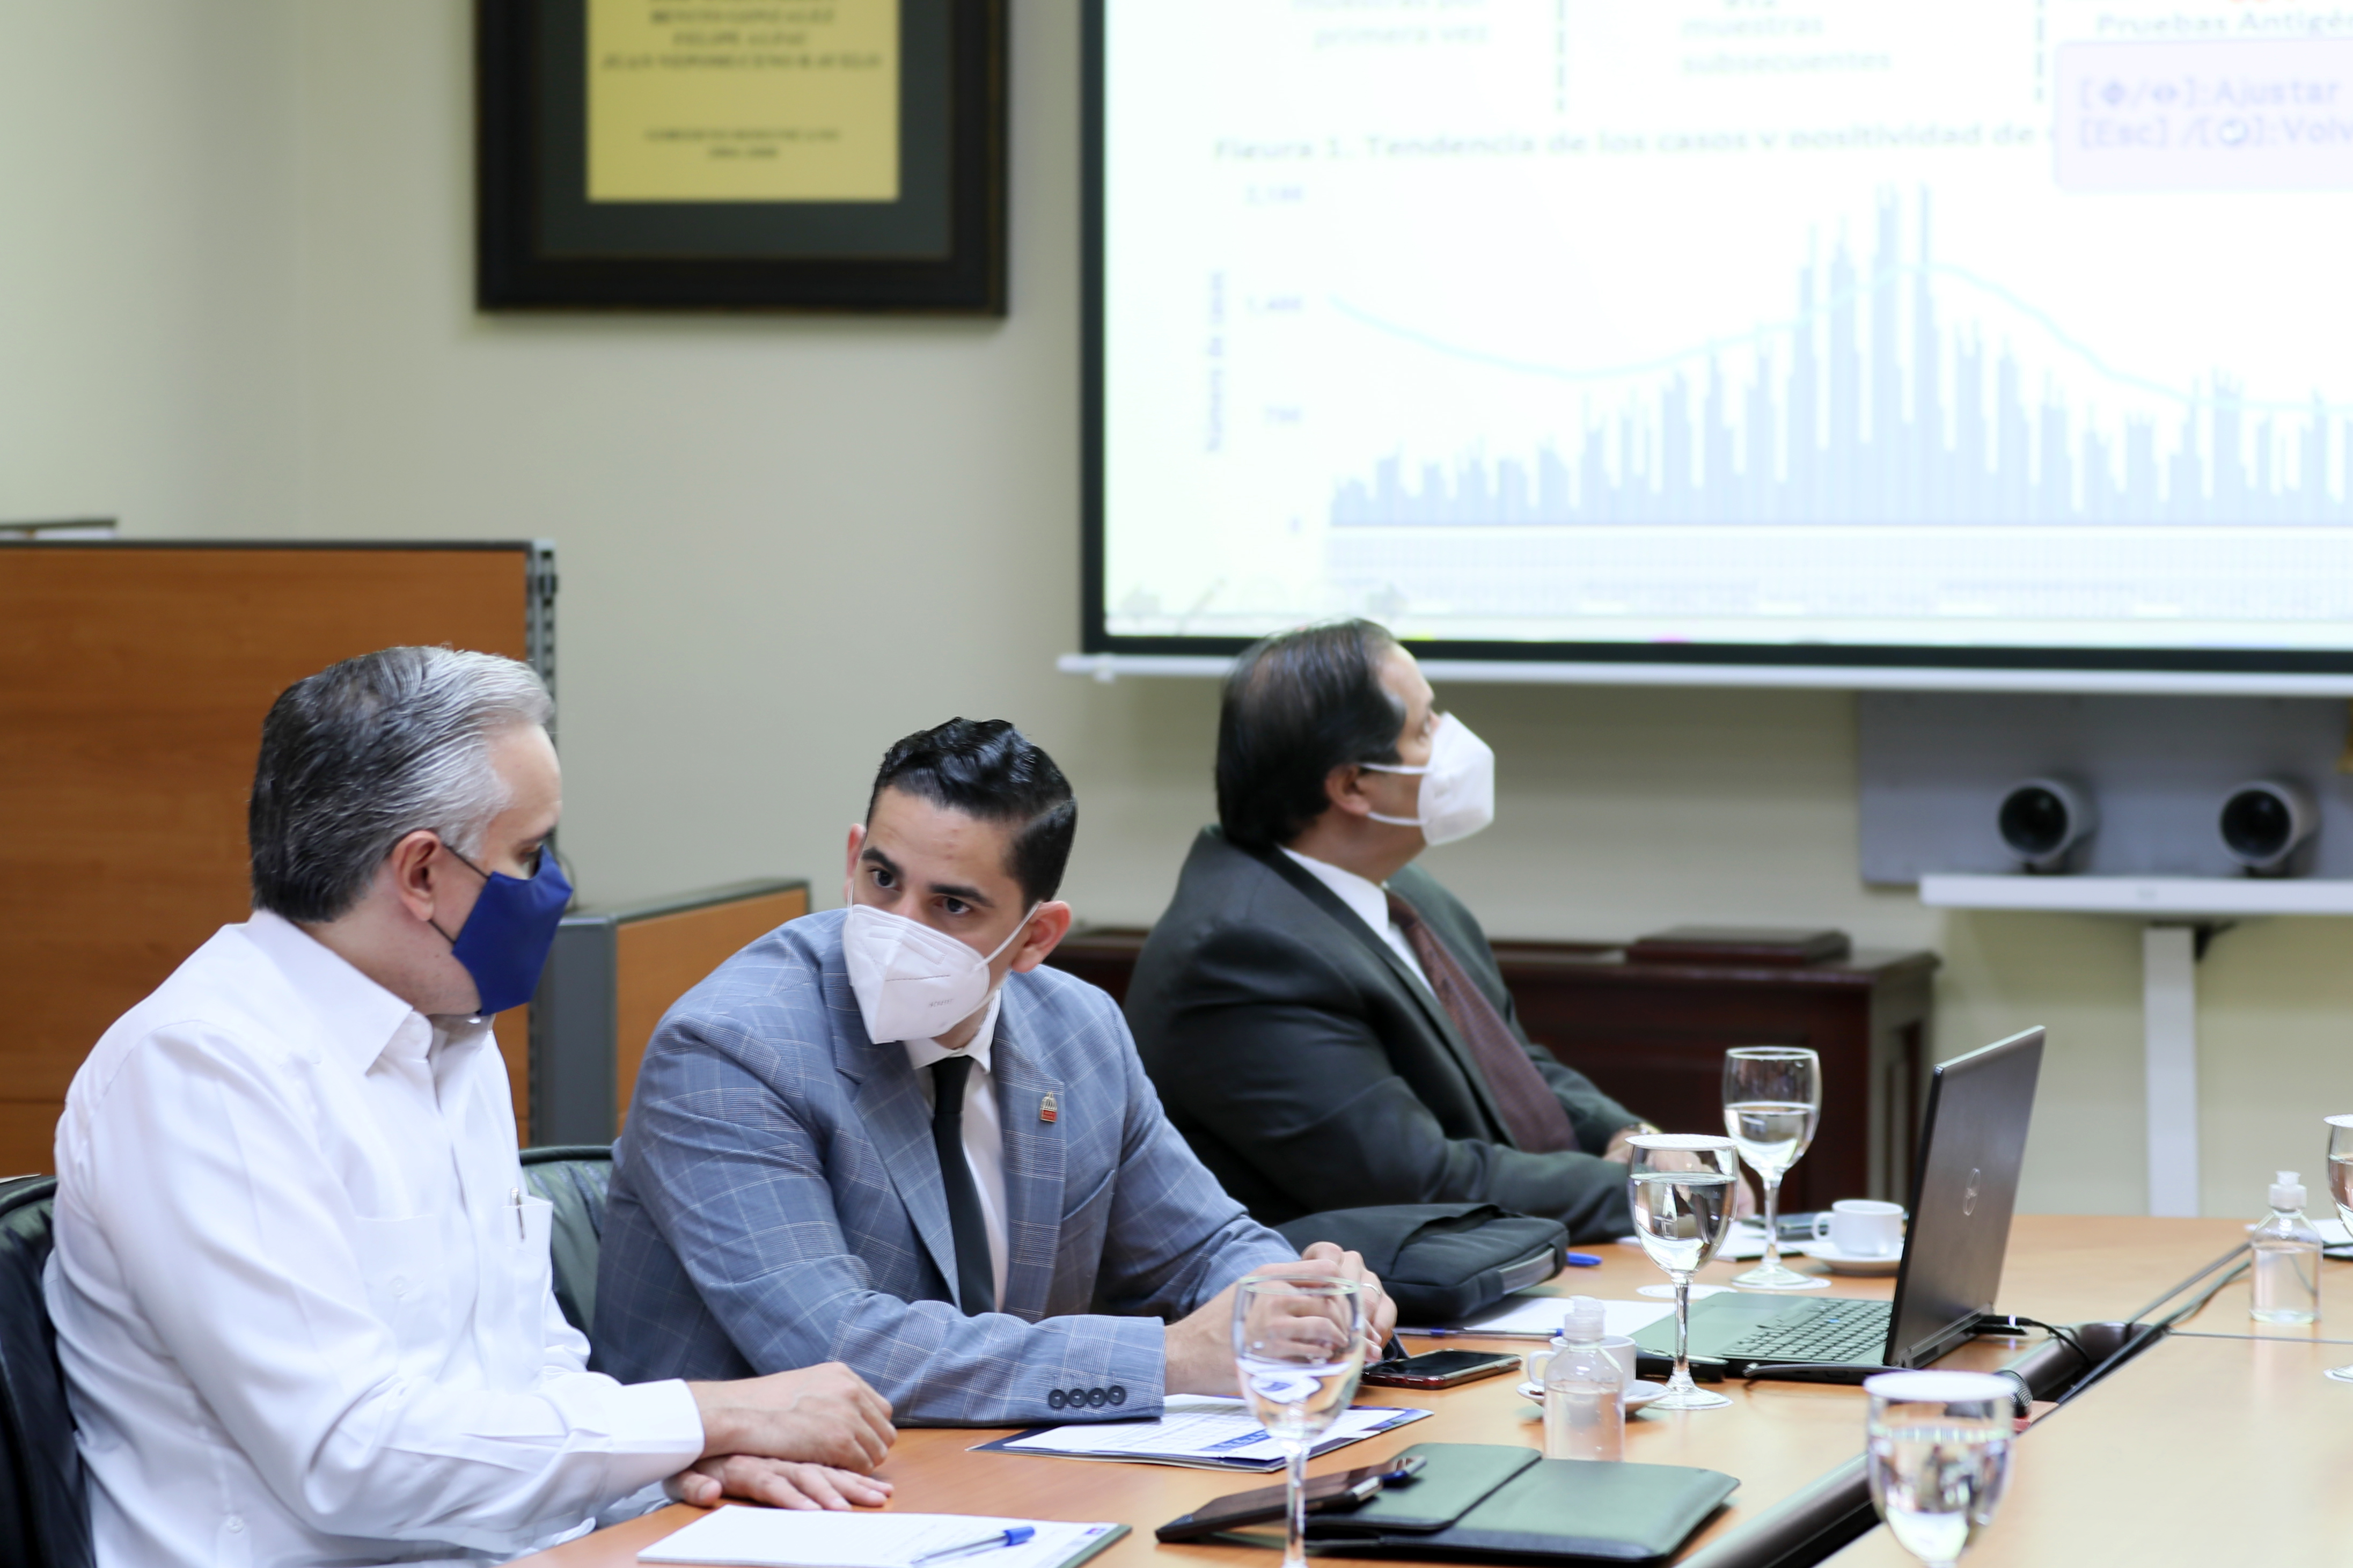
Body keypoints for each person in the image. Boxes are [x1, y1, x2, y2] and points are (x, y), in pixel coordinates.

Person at [47, 647, 898, 1568]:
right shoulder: (203, 1066)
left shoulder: (452, 1036)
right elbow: (348, 1453)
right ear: (420, 872)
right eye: (529, 853)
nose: (555, 882)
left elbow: (528, 1369)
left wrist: (671, 1468)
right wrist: (707, 1413)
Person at [592, 718, 1397, 1425]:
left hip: (989, 1479)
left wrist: (1301, 1301)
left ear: (1037, 937)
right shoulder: (731, 1048)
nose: (897, 928)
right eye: (882, 879)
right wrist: (1174, 1358)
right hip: (735, 1507)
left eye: (951, 906)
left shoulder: (1079, 1030)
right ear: (852, 857)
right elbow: (838, 1346)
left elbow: (1200, 1247)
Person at [1127, 619, 1696, 1243]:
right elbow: (1412, 1183)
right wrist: (1645, 1188)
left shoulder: (1403, 890)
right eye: (1425, 728)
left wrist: (1633, 1140)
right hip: (1348, 1292)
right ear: (1352, 785)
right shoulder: (1241, 953)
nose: (1453, 739)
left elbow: (1512, 1069)